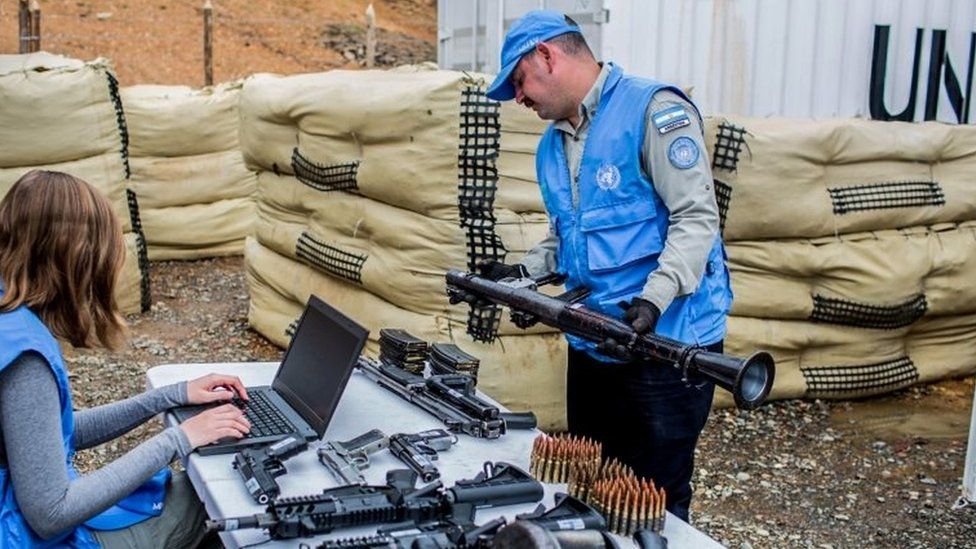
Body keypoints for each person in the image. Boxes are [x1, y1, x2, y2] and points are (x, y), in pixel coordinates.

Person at [481, 10, 732, 522]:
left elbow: (695, 218)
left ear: (547, 56)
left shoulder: (653, 111)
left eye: (519, 82)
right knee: (591, 485)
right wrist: (523, 276)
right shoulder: (553, 146)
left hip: (668, 347)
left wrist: (652, 302)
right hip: (596, 345)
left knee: (652, 503)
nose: (520, 98)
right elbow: (565, 236)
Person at [0, 170, 252, 547]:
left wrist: (168, 397)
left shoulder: (8, 317)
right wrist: (179, 438)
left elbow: (49, 433)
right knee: (222, 499)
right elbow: (51, 513)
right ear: (75, 260)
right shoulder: (25, 362)